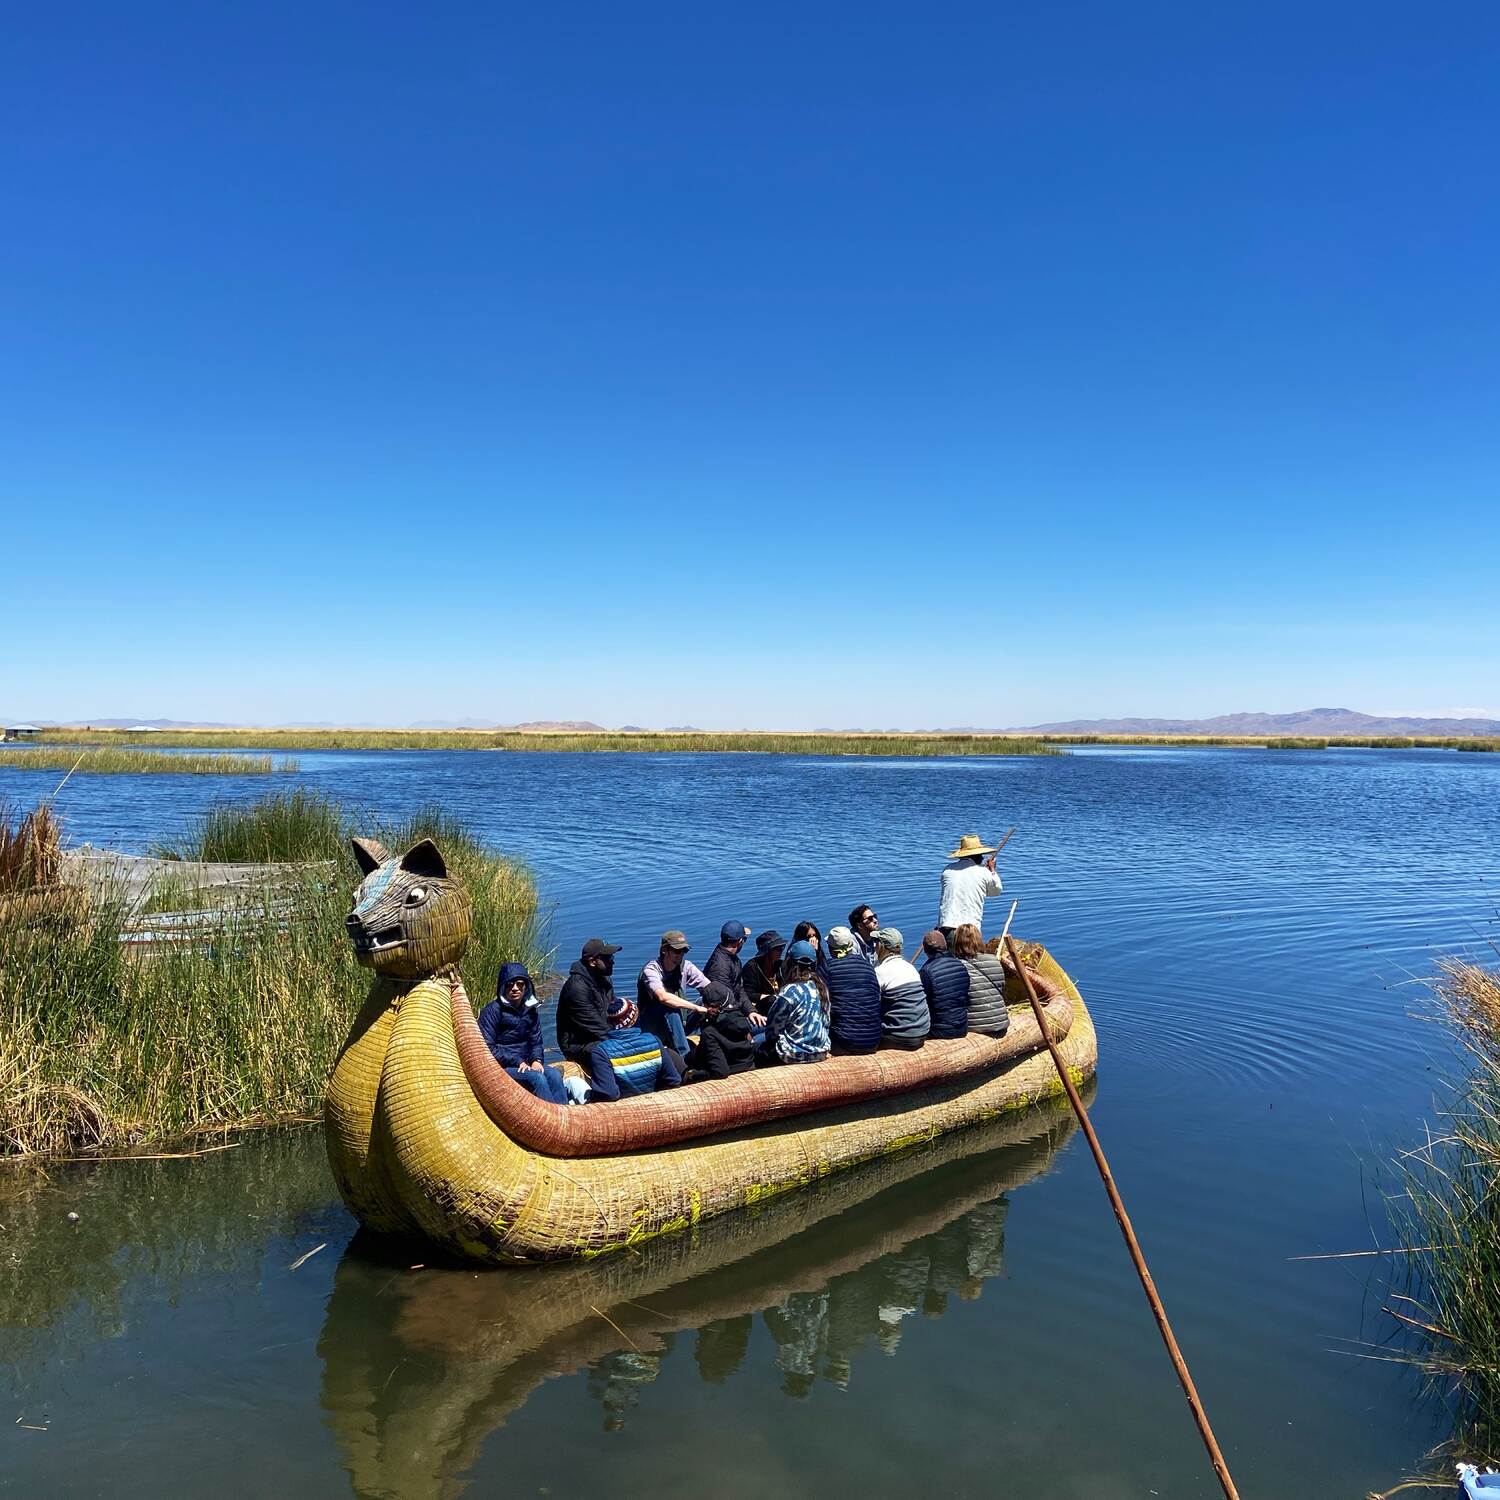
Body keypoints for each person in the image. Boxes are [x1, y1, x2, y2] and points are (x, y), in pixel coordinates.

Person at [476, 961, 569, 1104]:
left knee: (554, 1075)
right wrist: (517, 1061)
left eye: (520, 984)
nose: (515, 988)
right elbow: (487, 1047)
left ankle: (565, 1114)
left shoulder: (530, 1010)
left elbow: (536, 1041)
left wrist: (536, 1060)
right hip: (503, 1067)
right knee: (537, 1079)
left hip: (526, 1064)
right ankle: (550, 1117)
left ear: (526, 987)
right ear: (503, 986)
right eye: (510, 984)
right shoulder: (493, 1011)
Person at [586, 993, 684, 1101]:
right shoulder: (654, 1041)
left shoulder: (601, 1052)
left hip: (621, 1109)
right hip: (653, 1101)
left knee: (574, 1082)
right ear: (635, 1018)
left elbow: (609, 1094)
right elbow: (673, 1080)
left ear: (610, 1023)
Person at [637, 930, 714, 1053]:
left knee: (704, 1000)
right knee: (670, 1009)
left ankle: (717, 1043)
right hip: (654, 1027)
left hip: (680, 1021)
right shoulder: (651, 970)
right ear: (664, 950)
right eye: (677, 951)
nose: (681, 954)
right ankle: (685, 1057)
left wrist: (716, 1000)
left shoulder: (685, 967)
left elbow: (709, 988)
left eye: (684, 950)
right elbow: (663, 997)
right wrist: (696, 1008)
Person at [555, 937, 624, 1070]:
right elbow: (597, 1027)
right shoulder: (576, 988)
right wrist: (622, 1042)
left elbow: (613, 1013)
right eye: (607, 958)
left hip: (601, 1035)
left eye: (612, 957)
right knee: (612, 1052)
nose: (612, 962)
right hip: (579, 1044)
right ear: (592, 962)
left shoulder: (605, 979)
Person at [766, 940, 830, 1063]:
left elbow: (772, 1030)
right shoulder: (822, 987)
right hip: (821, 1050)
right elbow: (826, 1022)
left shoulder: (790, 992)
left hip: (795, 1054)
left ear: (789, 962)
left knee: (756, 1039)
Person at [823, 925, 882, 1055]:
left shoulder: (828, 968)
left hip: (845, 1042)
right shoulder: (867, 966)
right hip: (873, 1040)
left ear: (831, 949)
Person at [688, 980, 758, 1080]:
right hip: (748, 1065)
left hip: (728, 1068)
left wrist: (695, 1075)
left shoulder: (710, 1033)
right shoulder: (743, 1022)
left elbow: (720, 1072)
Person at [937, 835, 1003, 940]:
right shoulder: (983, 872)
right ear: (976, 855)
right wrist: (992, 871)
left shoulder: (947, 870)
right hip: (969, 930)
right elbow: (995, 891)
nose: (982, 858)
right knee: (969, 956)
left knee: (947, 956)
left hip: (946, 926)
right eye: (980, 855)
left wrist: (985, 871)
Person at [873, 927, 930, 1049]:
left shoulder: (879, 972)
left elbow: (872, 1006)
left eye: (876, 941)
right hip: (923, 1032)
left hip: (899, 1037)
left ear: (882, 946)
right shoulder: (910, 968)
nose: (874, 945)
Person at [952, 924, 1009, 1036]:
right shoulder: (994, 960)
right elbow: (1001, 986)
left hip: (975, 1025)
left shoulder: (956, 966)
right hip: (1001, 1021)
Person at [917, 930, 971, 1040]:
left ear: (926, 950)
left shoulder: (926, 971)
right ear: (945, 946)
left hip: (939, 1031)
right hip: (962, 1027)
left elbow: (922, 1003)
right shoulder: (960, 965)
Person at [703, 920, 753, 1011]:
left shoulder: (733, 959)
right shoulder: (720, 966)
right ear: (740, 941)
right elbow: (724, 1001)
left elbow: (739, 989)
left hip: (732, 1006)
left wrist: (751, 1011)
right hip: (721, 1012)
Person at [741, 929, 786, 1013]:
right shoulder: (751, 967)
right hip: (762, 1006)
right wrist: (771, 998)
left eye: (782, 947)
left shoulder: (781, 965)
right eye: (777, 948)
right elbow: (748, 993)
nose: (781, 951)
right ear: (767, 951)